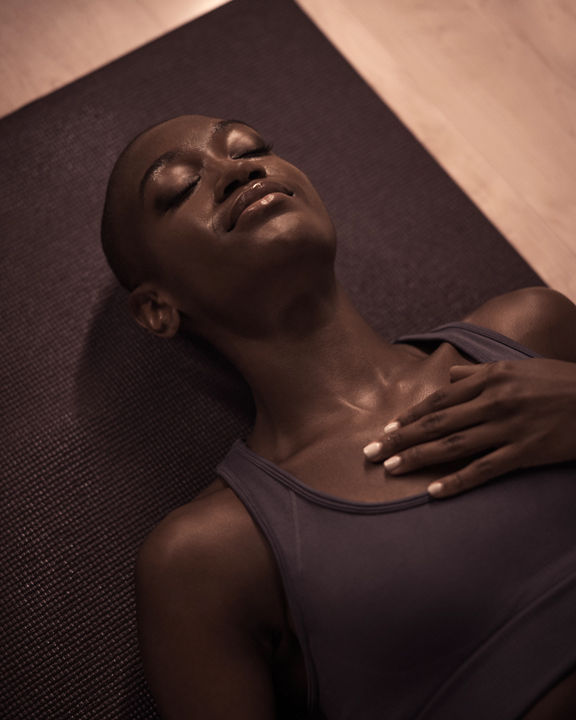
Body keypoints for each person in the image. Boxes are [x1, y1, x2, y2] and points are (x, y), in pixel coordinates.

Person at [100, 114, 576, 719]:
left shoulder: (532, 329)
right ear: (157, 309)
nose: (237, 169)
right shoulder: (206, 558)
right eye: (178, 187)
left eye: (252, 148)